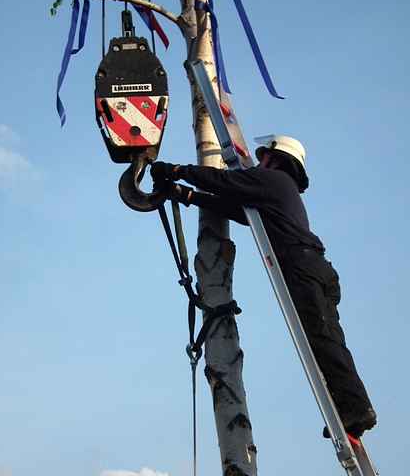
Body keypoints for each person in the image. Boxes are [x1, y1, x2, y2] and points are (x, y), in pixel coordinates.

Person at [150, 135, 377, 438]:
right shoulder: (276, 192)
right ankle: (350, 411)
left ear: (275, 158)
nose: (258, 162)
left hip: (303, 267)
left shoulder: (273, 180)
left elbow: (224, 181)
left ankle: (355, 407)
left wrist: (177, 171)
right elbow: (240, 212)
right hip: (313, 267)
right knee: (324, 340)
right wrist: (187, 196)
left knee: (322, 340)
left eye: (263, 157)